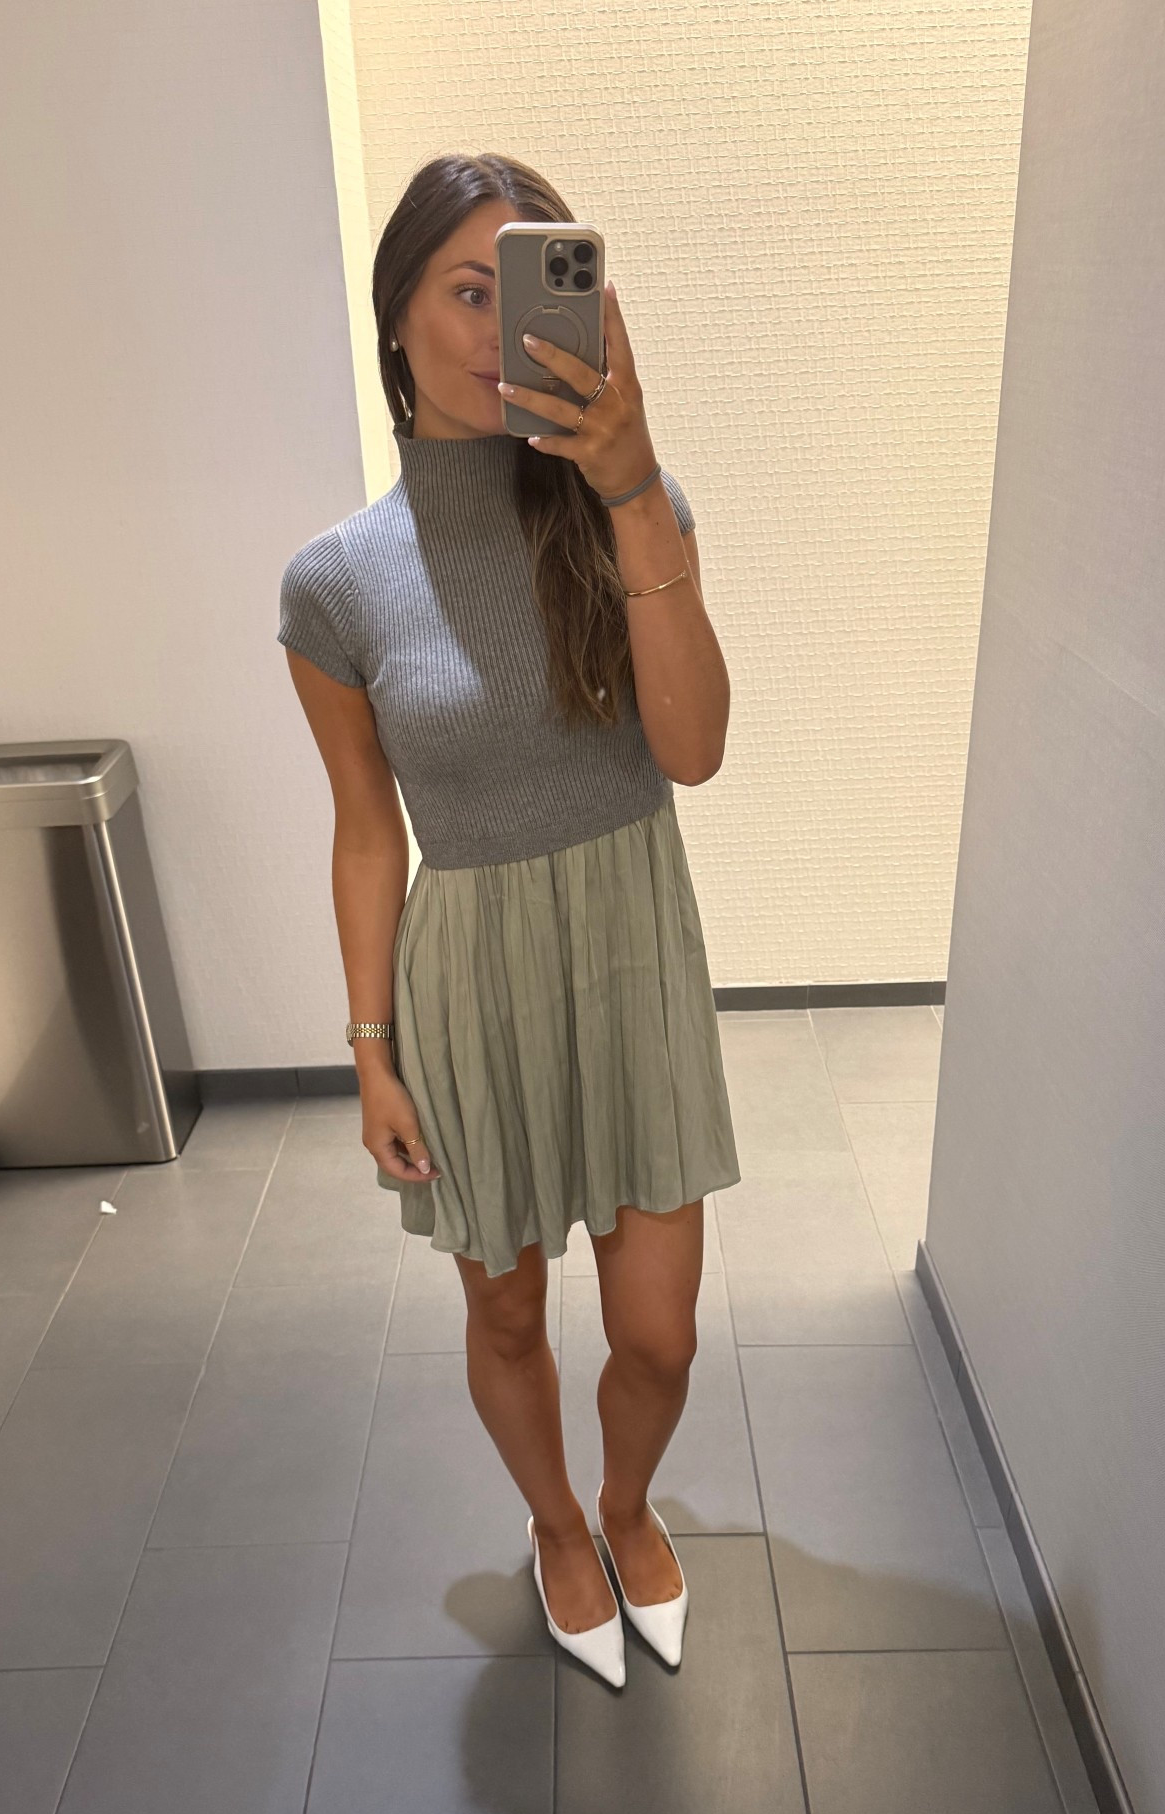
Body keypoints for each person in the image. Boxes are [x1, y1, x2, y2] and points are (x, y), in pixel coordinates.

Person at [277, 152, 740, 1690]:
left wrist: (633, 486)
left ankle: (628, 1503)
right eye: (468, 292)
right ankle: (556, 1526)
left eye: (531, 292)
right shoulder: (336, 583)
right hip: (471, 977)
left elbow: (693, 751)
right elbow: (365, 828)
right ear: (396, 312)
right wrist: (371, 1050)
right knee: (507, 1308)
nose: (501, 332)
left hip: (632, 952)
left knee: (660, 1335)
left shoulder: (632, 508)